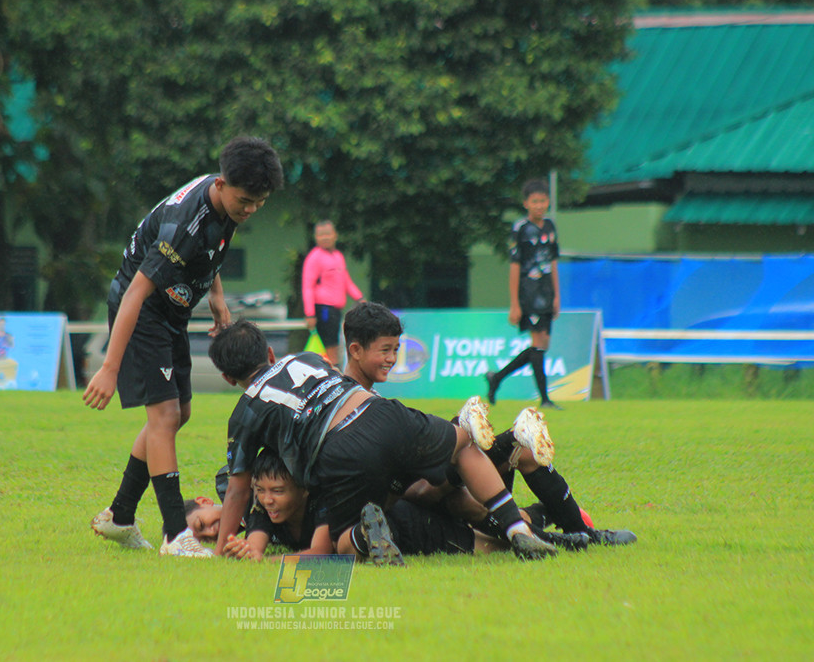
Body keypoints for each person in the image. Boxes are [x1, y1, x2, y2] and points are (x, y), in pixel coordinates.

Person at [208, 319, 559, 565]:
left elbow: (239, 488)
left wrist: (224, 544)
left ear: (227, 377)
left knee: (340, 541)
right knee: (459, 452)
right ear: (270, 353)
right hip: (379, 410)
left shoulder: (245, 411)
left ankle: (363, 536)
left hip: (339, 445)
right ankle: (515, 525)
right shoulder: (306, 358)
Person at [83, 136, 284, 557]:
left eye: (259, 202)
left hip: (172, 312)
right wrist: (110, 367)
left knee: (180, 414)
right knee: (165, 415)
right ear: (224, 184)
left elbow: (210, 253)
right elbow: (136, 292)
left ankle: (119, 516)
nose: (250, 210)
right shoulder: (184, 224)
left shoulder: (225, 200)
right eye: (245, 200)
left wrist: (215, 296)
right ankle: (176, 534)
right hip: (143, 312)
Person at [342, 301, 637, 546]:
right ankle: (556, 536)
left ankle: (583, 534)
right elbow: (402, 485)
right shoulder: (344, 404)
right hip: (419, 499)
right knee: (461, 490)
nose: (392, 359)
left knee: (522, 452)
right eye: (385, 350)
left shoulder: (371, 398)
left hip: (437, 486)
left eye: (396, 350)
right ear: (356, 350)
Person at [219, 451, 513, 563]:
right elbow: (256, 542)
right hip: (366, 524)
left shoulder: (321, 501)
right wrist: (249, 551)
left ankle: (544, 530)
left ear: (304, 488)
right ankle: (366, 534)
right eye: (261, 491)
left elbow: (319, 554)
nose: (267, 499)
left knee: (496, 546)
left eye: (278, 491)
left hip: (410, 524)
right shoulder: (265, 506)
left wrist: (273, 562)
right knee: (346, 543)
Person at [486, 178, 562, 410]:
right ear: (526, 204)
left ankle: (497, 377)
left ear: (548, 201)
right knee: (537, 343)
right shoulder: (520, 229)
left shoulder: (550, 226)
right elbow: (515, 266)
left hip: (547, 292)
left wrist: (557, 296)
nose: (539, 205)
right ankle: (545, 399)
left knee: (542, 345)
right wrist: (515, 303)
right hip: (529, 293)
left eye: (543, 201)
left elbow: (554, 262)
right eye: (534, 201)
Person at [301, 220, 365, 367]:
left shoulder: (338, 256)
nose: (325, 238)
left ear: (335, 235)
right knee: (330, 347)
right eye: (320, 235)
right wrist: (309, 313)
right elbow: (307, 286)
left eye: (328, 234)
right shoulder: (314, 257)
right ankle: (332, 374)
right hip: (323, 308)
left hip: (335, 309)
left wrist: (360, 298)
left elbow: (346, 281)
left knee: (335, 345)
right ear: (315, 237)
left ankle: (333, 372)